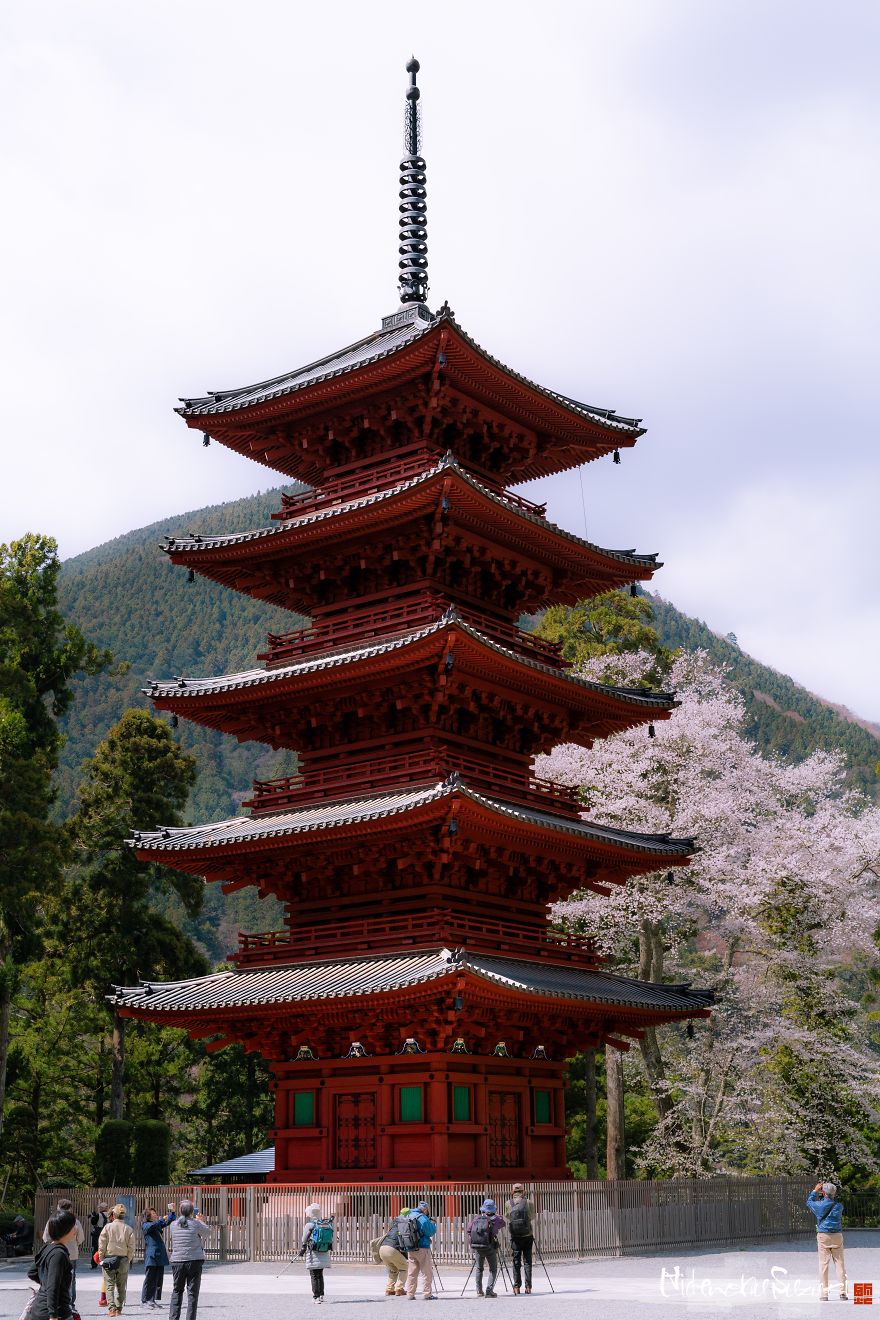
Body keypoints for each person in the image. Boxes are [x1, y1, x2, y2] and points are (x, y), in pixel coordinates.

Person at [29, 1210, 77, 1320]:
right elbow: (53, 1285)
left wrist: (45, 1284)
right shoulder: (59, 1254)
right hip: (55, 1313)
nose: (76, 1229)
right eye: (73, 1226)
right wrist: (53, 1315)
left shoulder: (47, 1248)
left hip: (39, 1309)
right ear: (66, 1229)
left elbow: (32, 1272)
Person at [806, 1182, 848, 1301]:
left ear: (823, 1193)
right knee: (840, 1264)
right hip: (837, 1235)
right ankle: (843, 1293)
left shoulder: (819, 1205)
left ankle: (824, 1294)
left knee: (823, 1265)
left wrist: (815, 1191)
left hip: (823, 1235)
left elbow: (809, 1202)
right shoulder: (839, 1206)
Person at [168, 1201, 210, 1320]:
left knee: (177, 1291)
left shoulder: (173, 1224)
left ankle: (173, 1318)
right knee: (192, 1294)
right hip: (194, 1261)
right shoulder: (196, 1224)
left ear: (181, 1211)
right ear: (192, 1212)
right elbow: (207, 1232)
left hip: (177, 1261)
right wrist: (200, 1220)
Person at [98, 1202, 136, 1317]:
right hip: (123, 1259)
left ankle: (111, 1309)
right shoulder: (128, 1229)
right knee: (121, 1285)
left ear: (113, 1215)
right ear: (124, 1216)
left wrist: (101, 1258)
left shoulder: (107, 1227)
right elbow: (131, 1247)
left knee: (109, 1285)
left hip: (109, 1259)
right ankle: (119, 1309)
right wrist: (128, 1259)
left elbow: (102, 1244)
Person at [42, 1201, 85, 1302]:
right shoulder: (75, 1222)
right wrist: (74, 1243)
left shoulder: (52, 1220)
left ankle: (55, 1301)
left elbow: (46, 1238)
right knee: (71, 1278)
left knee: (54, 1277)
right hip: (72, 1254)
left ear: (58, 1207)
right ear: (70, 1208)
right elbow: (81, 1238)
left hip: (55, 1253)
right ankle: (70, 1302)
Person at [467, 1199, 505, 1298]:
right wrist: (498, 1216)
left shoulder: (477, 1218)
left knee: (479, 1268)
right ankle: (489, 1290)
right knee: (493, 1269)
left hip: (478, 1247)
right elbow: (503, 1223)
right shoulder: (496, 1219)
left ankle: (479, 1290)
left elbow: (468, 1229)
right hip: (490, 1247)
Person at [142, 1204, 177, 1308]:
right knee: (149, 1278)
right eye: (153, 1213)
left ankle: (152, 1300)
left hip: (159, 1255)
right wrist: (162, 1219)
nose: (155, 1215)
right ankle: (145, 1300)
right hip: (151, 1256)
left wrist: (172, 1211)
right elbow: (155, 1224)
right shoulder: (146, 1225)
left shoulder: (156, 1224)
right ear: (148, 1216)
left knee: (157, 1278)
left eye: (155, 1213)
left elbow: (169, 1221)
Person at [297, 1203, 332, 1305]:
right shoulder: (325, 1224)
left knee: (314, 1275)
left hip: (313, 1252)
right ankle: (321, 1295)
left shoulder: (310, 1225)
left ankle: (315, 1297)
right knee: (320, 1274)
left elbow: (304, 1239)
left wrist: (303, 1248)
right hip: (324, 1251)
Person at [505, 1184, 535, 1295]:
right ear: (523, 1191)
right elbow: (532, 1217)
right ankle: (528, 1287)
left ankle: (516, 1286)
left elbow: (507, 1217)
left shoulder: (508, 1203)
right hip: (527, 1235)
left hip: (515, 1236)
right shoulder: (529, 1202)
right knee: (527, 1261)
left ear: (512, 1192)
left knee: (516, 1261)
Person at [405, 1201, 437, 1301]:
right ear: (425, 1209)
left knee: (412, 1272)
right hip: (422, 1247)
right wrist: (432, 1223)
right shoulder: (422, 1217)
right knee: (426, 1271)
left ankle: (410, 1293)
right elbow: (431, 1231)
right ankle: (427, 1294)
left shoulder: (409, 1215)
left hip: (410, 1247)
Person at [374, 1207, 410, 1296]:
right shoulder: (406, 1223)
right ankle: (399, 1289)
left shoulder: (394, 1222)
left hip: (382, 1248)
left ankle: (389, 1289)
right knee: (404, 1268)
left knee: (393, 1270)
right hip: (392, 1249)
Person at [89, 1205, 109, 1269]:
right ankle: (106, 1264)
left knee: (95, 1249)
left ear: (102, 1208)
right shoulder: (110, 1214)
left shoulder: (98, 1215)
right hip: (107, 1233)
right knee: (106, 1249)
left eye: (100, 1207)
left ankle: (94, 1264)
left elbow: (93, 1222)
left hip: (98, 1234)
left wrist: (92, 1217)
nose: (99, 1209)